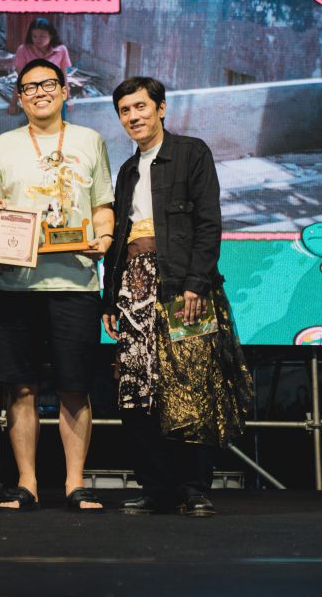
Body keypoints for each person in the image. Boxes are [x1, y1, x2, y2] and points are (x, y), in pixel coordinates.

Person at [100, 76, 253, 518]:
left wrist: (195, 284)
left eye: (141, 107)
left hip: (184, 288)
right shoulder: (127, 170)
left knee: (191, 384)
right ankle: (154, 487)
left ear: (161, 108)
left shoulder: (191, 153)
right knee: (138, 390)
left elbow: (208, 223)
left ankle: (193, 488)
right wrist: (110, 299)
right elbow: (120, 238)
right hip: (134, 287)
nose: (133, 117)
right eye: (125, 111)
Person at [0, 58, 114, 512]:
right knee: (20, 388)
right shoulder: (2, 146)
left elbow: (102, 204)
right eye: (29, 87)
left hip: (76, 282)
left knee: (75, 387)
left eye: (47, 84)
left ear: (64, 91)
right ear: (19, 99)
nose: (39, 92)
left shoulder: (90, 140)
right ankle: (27, 483)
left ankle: (76, 483)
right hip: (15, 286)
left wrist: (105, 237)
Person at [8, 18, 72, 115]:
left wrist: (68, 98)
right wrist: (13, 103)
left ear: (51, 35)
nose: (38, 40)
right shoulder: (23, 50)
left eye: (42, 36)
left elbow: (63, 76)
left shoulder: (61, 50)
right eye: (34, 36)